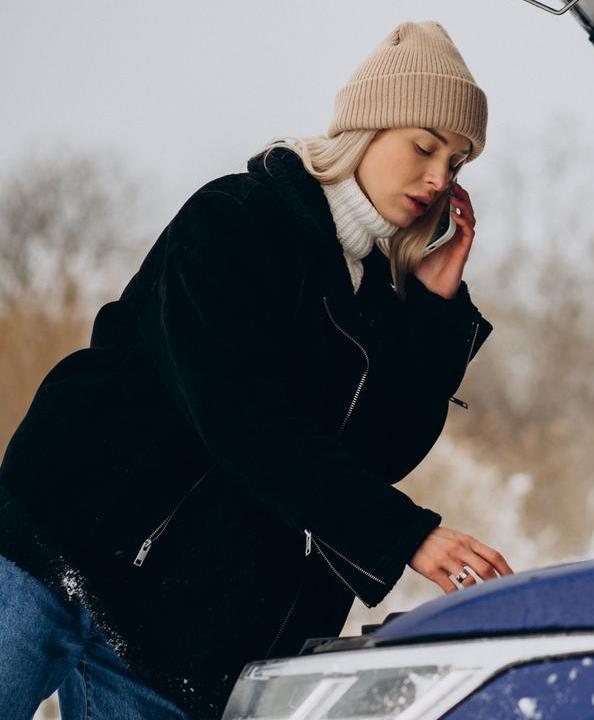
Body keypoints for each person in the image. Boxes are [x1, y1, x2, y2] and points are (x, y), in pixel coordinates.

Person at [0, 20, 512, 719]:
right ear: (367, 129)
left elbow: (375, 456)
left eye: (456, 164)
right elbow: (238, 416)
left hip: (181, 635)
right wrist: (405, 536)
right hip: (51, 548)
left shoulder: (383, 301)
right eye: (425, 147)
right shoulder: (238, 220)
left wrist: (430, 309)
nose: (438, 178)